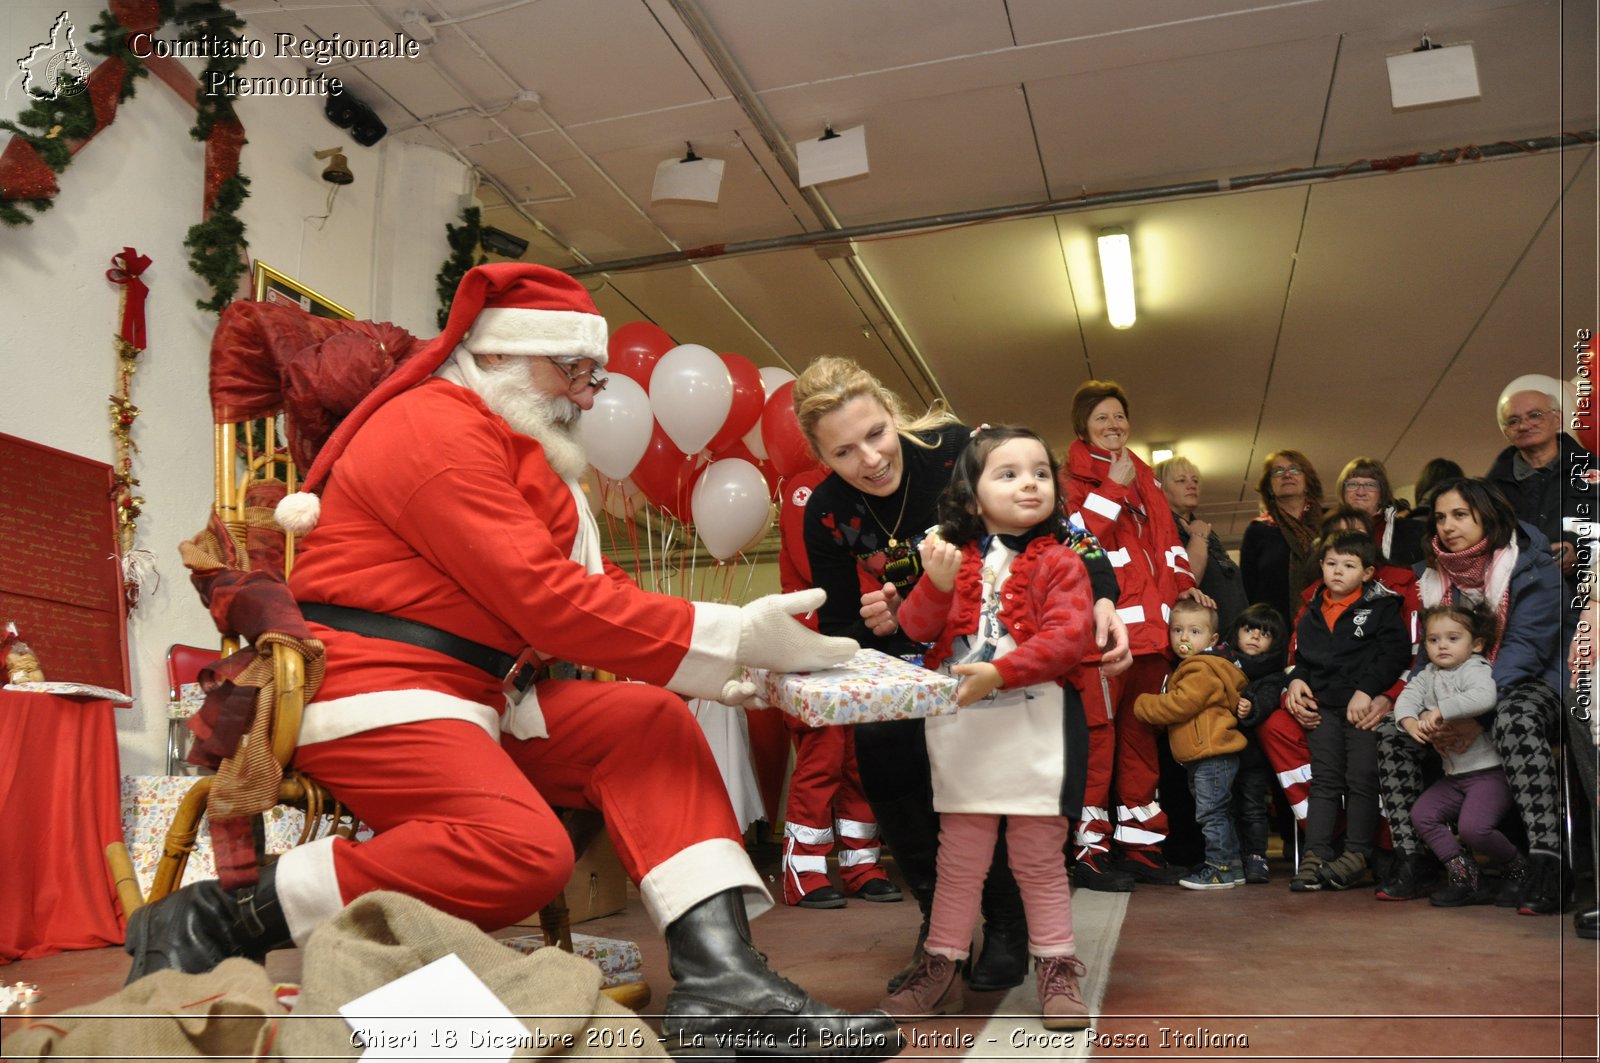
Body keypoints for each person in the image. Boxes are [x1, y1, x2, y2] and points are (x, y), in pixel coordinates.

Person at [124, 263, 901, 1057]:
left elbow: (591, 588)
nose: (592, 394)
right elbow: (543, 599)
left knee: (650, 723)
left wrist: (747, 665)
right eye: (575, 369)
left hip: (475, 692)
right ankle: (226, 910)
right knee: (526, 852)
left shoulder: (510, 439)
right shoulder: (431, 424)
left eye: (594, 374)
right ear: (498, 354)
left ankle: (723, 983)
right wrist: (730, 635)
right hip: (380, 687)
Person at [793, 358, 1130, 994]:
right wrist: (886, 620)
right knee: (883, 750)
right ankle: (935, 920)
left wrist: (1105, 592)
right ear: (821, 456)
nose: (868, 459)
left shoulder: (953, 448)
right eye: (843, 451)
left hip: (1001, 647)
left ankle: (1006, 924)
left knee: (999, 775)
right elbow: (842, 630)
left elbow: (1052, 515)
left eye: (876, 434)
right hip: (917, 653)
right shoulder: (829, 514)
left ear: (893, 415)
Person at [881, 425, 1096, 1029]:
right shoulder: (952, 557)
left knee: (1038, 859)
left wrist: (997, 674)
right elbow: (921, 629)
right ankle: (941, 969)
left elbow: (1067, 639)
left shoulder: (1063, 561)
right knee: (959, 860)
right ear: (971, 497)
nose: (1029, 482)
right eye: (1008, 473)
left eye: (1040, 472)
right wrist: (936, 583)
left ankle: (1055, 966)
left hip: (1036, 729)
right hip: (965, 732)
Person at [1374, 478, 1567, 916]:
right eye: (1440, 517)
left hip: (1536, 683)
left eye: (1460, 514)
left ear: (1488, 516)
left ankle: (1547, 865)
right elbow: (1430, 657)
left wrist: (1473, 715)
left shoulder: (1533, 567)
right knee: (1392, 731)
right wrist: (1421, 714)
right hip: (1458, 692)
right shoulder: (1436, 578)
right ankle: (1417, 859)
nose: (1447, 526)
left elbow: (1524, 651)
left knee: (1513, 716)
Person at [1062, 380, 1212, 892]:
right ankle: (1090, 851)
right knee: (1097, 744)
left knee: (1141, 740)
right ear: (1083, 425)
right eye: (1102, 418)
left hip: (1152, 637)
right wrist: (1114, 489)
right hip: (1102, 640)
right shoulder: (1069, 478)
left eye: (1119, 417)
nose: (1113, 426)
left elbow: (1168, 546)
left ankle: (1141, 847)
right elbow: (1073, 544)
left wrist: (1188, 591)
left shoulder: (1146, 476)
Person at [774, 464, 900, 909]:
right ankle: (802, 874)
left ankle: (862, 867)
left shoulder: (867, 485)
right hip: (813, 639)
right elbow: (820, 567)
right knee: (822, 757)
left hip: (861, 640)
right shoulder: (805, 488)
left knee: (861, 760)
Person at [1283, 531, 1411, 892]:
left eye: (1349, 565)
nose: (1338, 571)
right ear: (1321, 565)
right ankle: (1316, 855)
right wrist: (1296, 681)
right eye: (1332, 563)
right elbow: (1305, 660)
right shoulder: (1311, 611)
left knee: (1362, 778)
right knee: (1325, 781)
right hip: (1324, 708)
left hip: (1361, 708)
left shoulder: (1383, 605)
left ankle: (1356, 853)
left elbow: (1394, 655)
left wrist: (1366, 691)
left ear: (1368, 572)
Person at [1393, 603, 1523, 907]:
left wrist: (1440, 711)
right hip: (1455, 776)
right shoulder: (1428, 674)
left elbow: (1484, 696)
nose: (1442, 646)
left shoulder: (1475, 667)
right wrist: (1411, 722)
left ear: (1476, 644)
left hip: (1488, 772)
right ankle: (1465, 874)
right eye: (1434, 640)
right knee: (1422, 815)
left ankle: (1519, 868)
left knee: (1474, 829)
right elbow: (1406, 699)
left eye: (1453, 638)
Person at [1132, 600, 1249, 890]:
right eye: (1177, 630)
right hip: (1205, 754)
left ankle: (1219, 867)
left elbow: (1181, 705)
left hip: (1211, 754)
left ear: (1212, 640)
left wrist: (1143, 703)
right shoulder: (1196, 666)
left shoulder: (1201, 669)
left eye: (1194, 631)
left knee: (1211, 813)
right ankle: (1231, 864)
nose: (1184, 638)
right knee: (1218, 811)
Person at [1488, 375, 1589, 584]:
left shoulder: (1594, 470)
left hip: (1588, 599)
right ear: (1505, 431)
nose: (1524, 425)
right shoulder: (1490, 490)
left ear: (1558, 419)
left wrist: (1580, 552)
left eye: (1534, 415)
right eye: (1513, 421)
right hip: (1521, 601)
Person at [1226, 603, 1291, 885]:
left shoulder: (1274, 673)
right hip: (1222, 751)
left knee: (1252, 806)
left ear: (1275, 642)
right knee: (1224, 806)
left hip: (1253, 755)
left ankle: (1256, 857)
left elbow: (1267, 700)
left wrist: (1250, 706)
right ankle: (1229, 856)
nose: (1254, 636)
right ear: (1236, 631)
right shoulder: (1221, 662)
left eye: (1264, 634)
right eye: (1249, 629)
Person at [1155, 455, 1248, 634]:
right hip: (1200, 637)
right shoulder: (1161, 531)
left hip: (1233, 632)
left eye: (1195, 480)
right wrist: (1198, 537)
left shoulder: (1206, 531)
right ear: (1160, 488)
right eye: (1181, 480)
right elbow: (1186, 582)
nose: (1191, 485)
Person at [1240, 449, 1326, 629]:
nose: (1287, 475)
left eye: (1294, 469)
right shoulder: (1258, 530)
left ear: (1307, 481)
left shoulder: (1329, 524)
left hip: (1328, 624)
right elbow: (1247, 590)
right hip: (1275, 630)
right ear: (1269, 487)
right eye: (1278, 471)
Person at [1334, 457, 1426, 567]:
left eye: (1370, 485)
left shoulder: (1414, 534)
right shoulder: (1326, 534)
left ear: (1381, 496)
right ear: (1343, 493)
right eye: (1353, 484)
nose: (1360, 492)